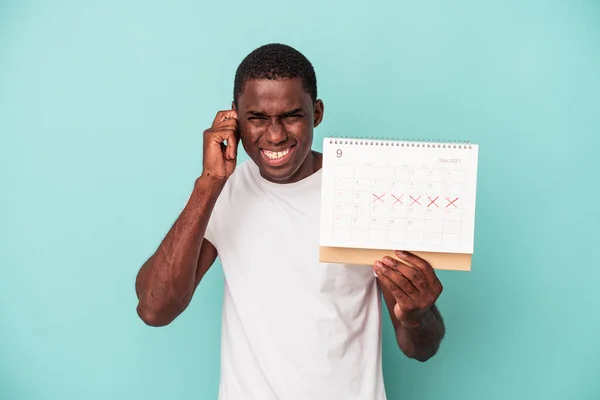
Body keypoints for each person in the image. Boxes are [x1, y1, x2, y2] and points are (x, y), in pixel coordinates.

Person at [135, 43, 445, 400]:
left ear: (317, 113)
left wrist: (416, 315)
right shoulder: (224, 189)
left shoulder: (364, 190)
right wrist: (208, 183)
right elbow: (155, 309)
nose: (276, 135)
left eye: (291, 115)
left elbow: (420, 348)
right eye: (257, 118)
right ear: (234, 117)